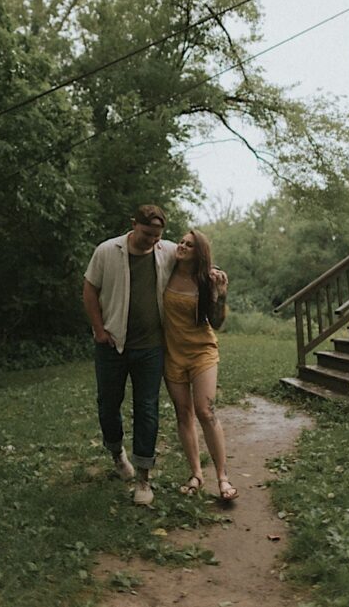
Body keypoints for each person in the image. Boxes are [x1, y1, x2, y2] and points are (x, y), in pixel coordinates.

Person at [83, 204, 177, 505]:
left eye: (157, 235)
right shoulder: (107, 251)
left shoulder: (167, 251)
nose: (152, 240)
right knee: (108, 405)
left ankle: (144, 478)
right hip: (112, 345)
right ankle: (116, 452)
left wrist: (213, 270)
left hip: (150, 347)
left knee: (147, 408)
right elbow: (89, 289)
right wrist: (99, 330)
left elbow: (195, 257)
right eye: (147, 233)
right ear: (133, 225)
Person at [162, 229, 237, 501]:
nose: (182, 246)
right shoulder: (165, 272)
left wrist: (221, 294)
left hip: (202, 351)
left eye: (189, 245)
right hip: (172, 353)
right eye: (181, 241)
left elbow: (216, 323)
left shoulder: (206, 281)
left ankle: (223, 478)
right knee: (183, 414)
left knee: (205, 411)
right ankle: (195, 474)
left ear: (199, 252)